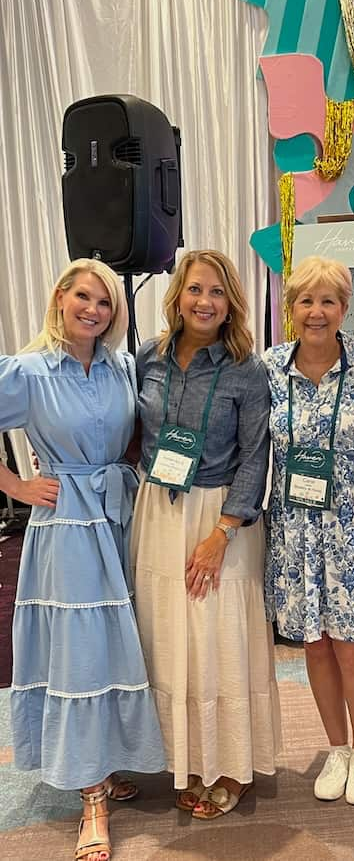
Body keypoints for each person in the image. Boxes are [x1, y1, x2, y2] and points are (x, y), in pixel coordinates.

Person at [0, 258, 165, 861]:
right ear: (60, 298)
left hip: (122, 514)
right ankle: (90, 794)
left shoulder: (122, 364)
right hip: (66, 523)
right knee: (81, 653)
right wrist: (16, 487)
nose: (94, 310)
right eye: (84, 298)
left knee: (123, 641)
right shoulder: (29, 370)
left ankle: (111, 762)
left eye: (104, 302)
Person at [131, 249, 281, 819]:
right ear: (178, 297)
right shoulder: (150, 356)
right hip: (159, 511)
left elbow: (255, 456)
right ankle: (185, 759)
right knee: (170, 638)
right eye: (196, 290)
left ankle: (230, 764)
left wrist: (222, 533)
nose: (205, 302)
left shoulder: (246, 367)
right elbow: (131, 434)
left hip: (223, 517)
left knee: (220, 640)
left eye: (217, 292)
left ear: (231, 303)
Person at [263, 256, 354, 806]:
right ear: (290, 308)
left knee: (353, 647)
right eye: (305, 301)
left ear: (345, 307)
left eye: (328, 301)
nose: (316, 312)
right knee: (315, 647)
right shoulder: (270, 368)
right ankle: (336, 749)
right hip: (294, 527)